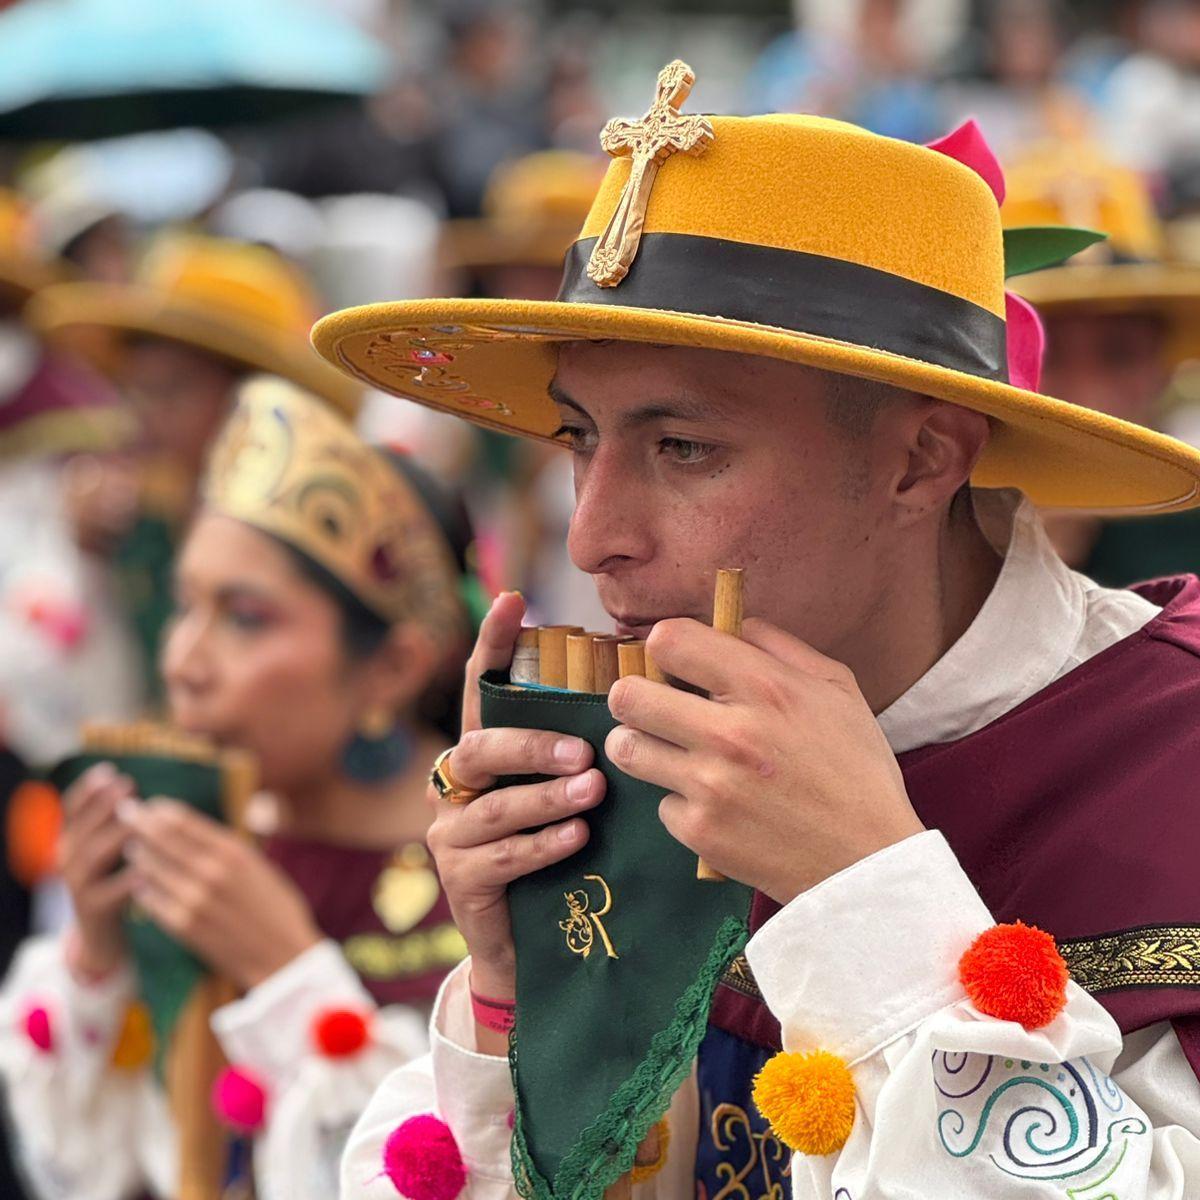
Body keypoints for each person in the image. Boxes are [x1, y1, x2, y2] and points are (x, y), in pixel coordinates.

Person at [313, 67, 1200, 1198]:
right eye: (582, 438)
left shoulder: (1174, 759)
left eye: (682, 447)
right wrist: (519, 1004)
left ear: (921, 460)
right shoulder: (636, 751)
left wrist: (865, 887)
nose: (590, 540)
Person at [0, 378, 474, 1200]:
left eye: (246, 617)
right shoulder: (188, 830)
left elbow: (485, 1165)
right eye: (187, 606)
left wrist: (288, 972)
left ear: (392, 666)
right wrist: (97, 963)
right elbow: (84, 1173)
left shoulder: (495, 857)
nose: (183, 661)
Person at [25, 233, 362, 697]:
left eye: (171, 391)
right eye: (135, 390)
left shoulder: (320, 540)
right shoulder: (132, 522)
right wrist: (88, 559)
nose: (140, 418)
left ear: (252, 405)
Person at [1001, 137, 1200, 581]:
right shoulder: (922, 525)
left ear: (1164, 365)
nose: (1086, 395)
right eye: (1045, 354)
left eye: (1120, 354)